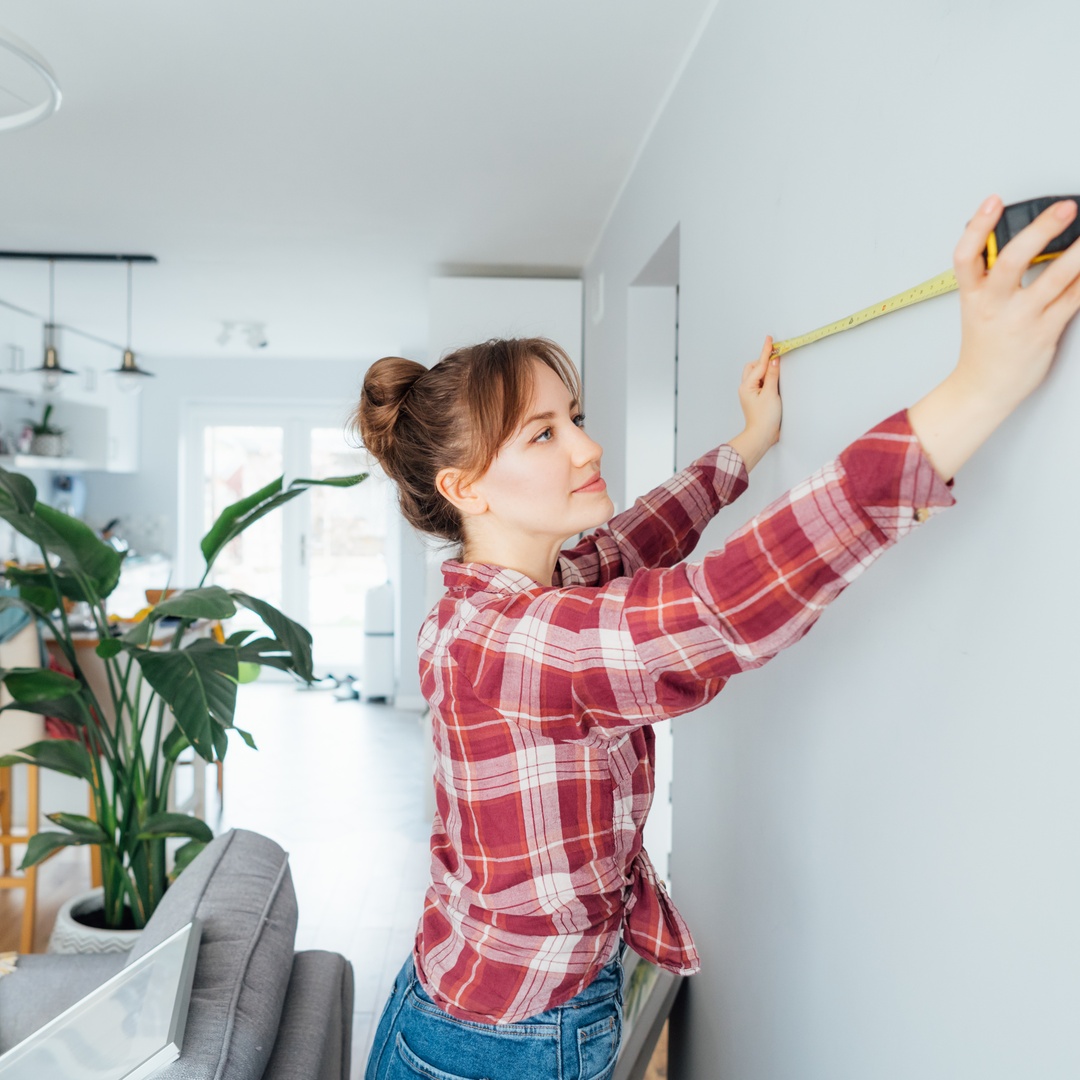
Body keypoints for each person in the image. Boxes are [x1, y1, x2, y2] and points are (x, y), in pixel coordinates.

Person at [356, 195, 1080, 1080]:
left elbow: (637, 538)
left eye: (574, 416)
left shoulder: (530, 584)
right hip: (499, 1042)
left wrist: (746, 445)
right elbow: (715, 610)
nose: (587, 448)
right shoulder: (505, 641)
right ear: (467, 489)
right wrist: (978, 389)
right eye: (544, 434)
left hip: (470, 998)